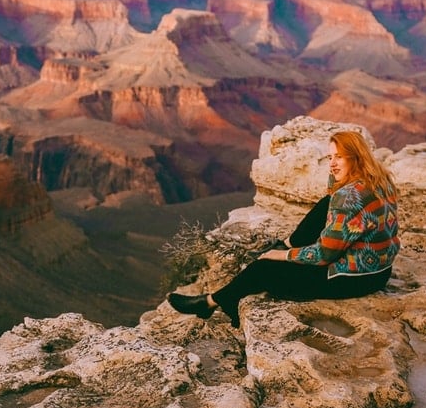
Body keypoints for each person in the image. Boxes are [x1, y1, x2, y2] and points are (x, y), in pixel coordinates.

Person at [167, 130, 400, 328]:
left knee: (263, 268)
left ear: (356, 158)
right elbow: (333, 199)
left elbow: (324, 255)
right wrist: (338, 173)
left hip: (351, 278)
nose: (332, 164)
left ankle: (211, 302)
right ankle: (291, 241)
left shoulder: (348, 197)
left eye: (339, 157)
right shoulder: (380, 180)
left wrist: (281, 255)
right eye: (330, 157)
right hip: (381, 272)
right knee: (325, 205)